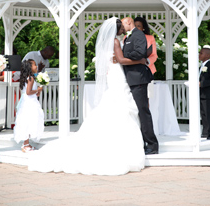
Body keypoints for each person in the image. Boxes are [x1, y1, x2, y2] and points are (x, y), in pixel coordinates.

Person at [28, 18, 147, 175]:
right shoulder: (115, 42)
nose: (123, 30)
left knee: (116, 101)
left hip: (114, 73)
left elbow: (114, 59)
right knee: (120, 102)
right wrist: (142, 60)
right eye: (121, 28)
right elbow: (121, 60)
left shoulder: (109, 42)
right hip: (118, 74)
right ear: (117, 29)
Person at [121, 16, 159, 155]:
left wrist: (123, 56)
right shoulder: (128, 37)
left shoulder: (139, 35)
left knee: (143, 112)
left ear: (129, 23)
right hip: (130, 79)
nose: (121, 28)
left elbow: (139, 53)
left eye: (123, 25)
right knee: (136, 112)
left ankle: (152, 144)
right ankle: (140, 142)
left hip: (139, 79)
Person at [13, 60, 44, 152]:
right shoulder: (30, 78)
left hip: (27, 101)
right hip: (29, 103)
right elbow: (28, 92)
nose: (36, 67)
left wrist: (36, 92)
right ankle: (25, 145)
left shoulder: (26, 77)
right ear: (29, 67)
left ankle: (26, 143)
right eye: (34, 65)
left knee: (27, 121)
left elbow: (28, 92)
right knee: (29, 121)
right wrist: (38, 89)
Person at [199, 47, 210, 140]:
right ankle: (205, 131)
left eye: (201, 53)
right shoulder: (201, 66)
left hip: (208, 94)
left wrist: (201, 84)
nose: (199, 54)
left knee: (209, 113)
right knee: (203, 114)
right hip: (201, 94)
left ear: (207, 55)